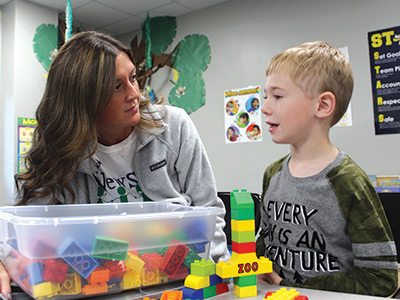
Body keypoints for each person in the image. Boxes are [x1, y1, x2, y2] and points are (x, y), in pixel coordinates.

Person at [0, 31, 230, 299]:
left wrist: (222, 276)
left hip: (181, 283)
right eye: (116, 87)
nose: (135, 94)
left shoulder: (174, 126)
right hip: (101, 289)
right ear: (83, 101)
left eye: (133, 78)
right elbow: (21, 234)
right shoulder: (57, 154)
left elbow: (208, 211)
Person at [255, 41, 398, 296]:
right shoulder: (272, 174)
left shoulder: (348, 181)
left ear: (322, 106)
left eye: (277, 96)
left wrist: (294, 287)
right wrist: (257, 265)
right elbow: (266, 242)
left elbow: (381, 279)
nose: (265, 107)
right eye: (266, 96)